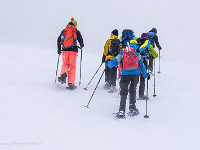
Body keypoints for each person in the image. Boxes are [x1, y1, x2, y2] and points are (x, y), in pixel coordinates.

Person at [107, 43, 150, 118]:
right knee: (133, 90)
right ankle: (132, 108)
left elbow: (114, 63)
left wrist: (108, 62)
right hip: (135, 74)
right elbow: (142, 66)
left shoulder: (123, 53)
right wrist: (146, 75)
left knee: (123, 92)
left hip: (125, 74)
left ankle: (121, 110)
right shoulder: (136, 54)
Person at [57, 18, 84, 90]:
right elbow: (81, 39)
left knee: (65, 64)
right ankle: (71, 83)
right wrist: (81, 45)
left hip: (65, 51)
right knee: (72, 66)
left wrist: (59, 50)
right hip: (73, 51)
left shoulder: (64, 31)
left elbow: (58, 40)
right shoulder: (76, 31)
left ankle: (63, 74)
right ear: (75, 25)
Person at [136, 33, 158, 100]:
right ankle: (141, 95)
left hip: (136, 61)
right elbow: (156, 55)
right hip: (144, 62)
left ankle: (132, 93)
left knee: (135, 78)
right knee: (142, 78)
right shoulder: (148, 45)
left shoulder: (137, 42)